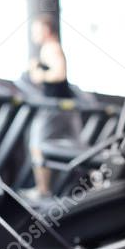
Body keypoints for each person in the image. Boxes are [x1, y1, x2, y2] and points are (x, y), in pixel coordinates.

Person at [26, 13, 82, 200]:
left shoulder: (51, 47)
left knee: (37, 144)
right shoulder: (50, 48)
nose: (34, 34)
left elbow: (59, 74)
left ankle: (43, 190)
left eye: (36, 30)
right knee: (77, 147)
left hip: (56, 107)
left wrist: (39, 73)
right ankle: (86, 188)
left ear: (46, 30)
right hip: (64, 106)